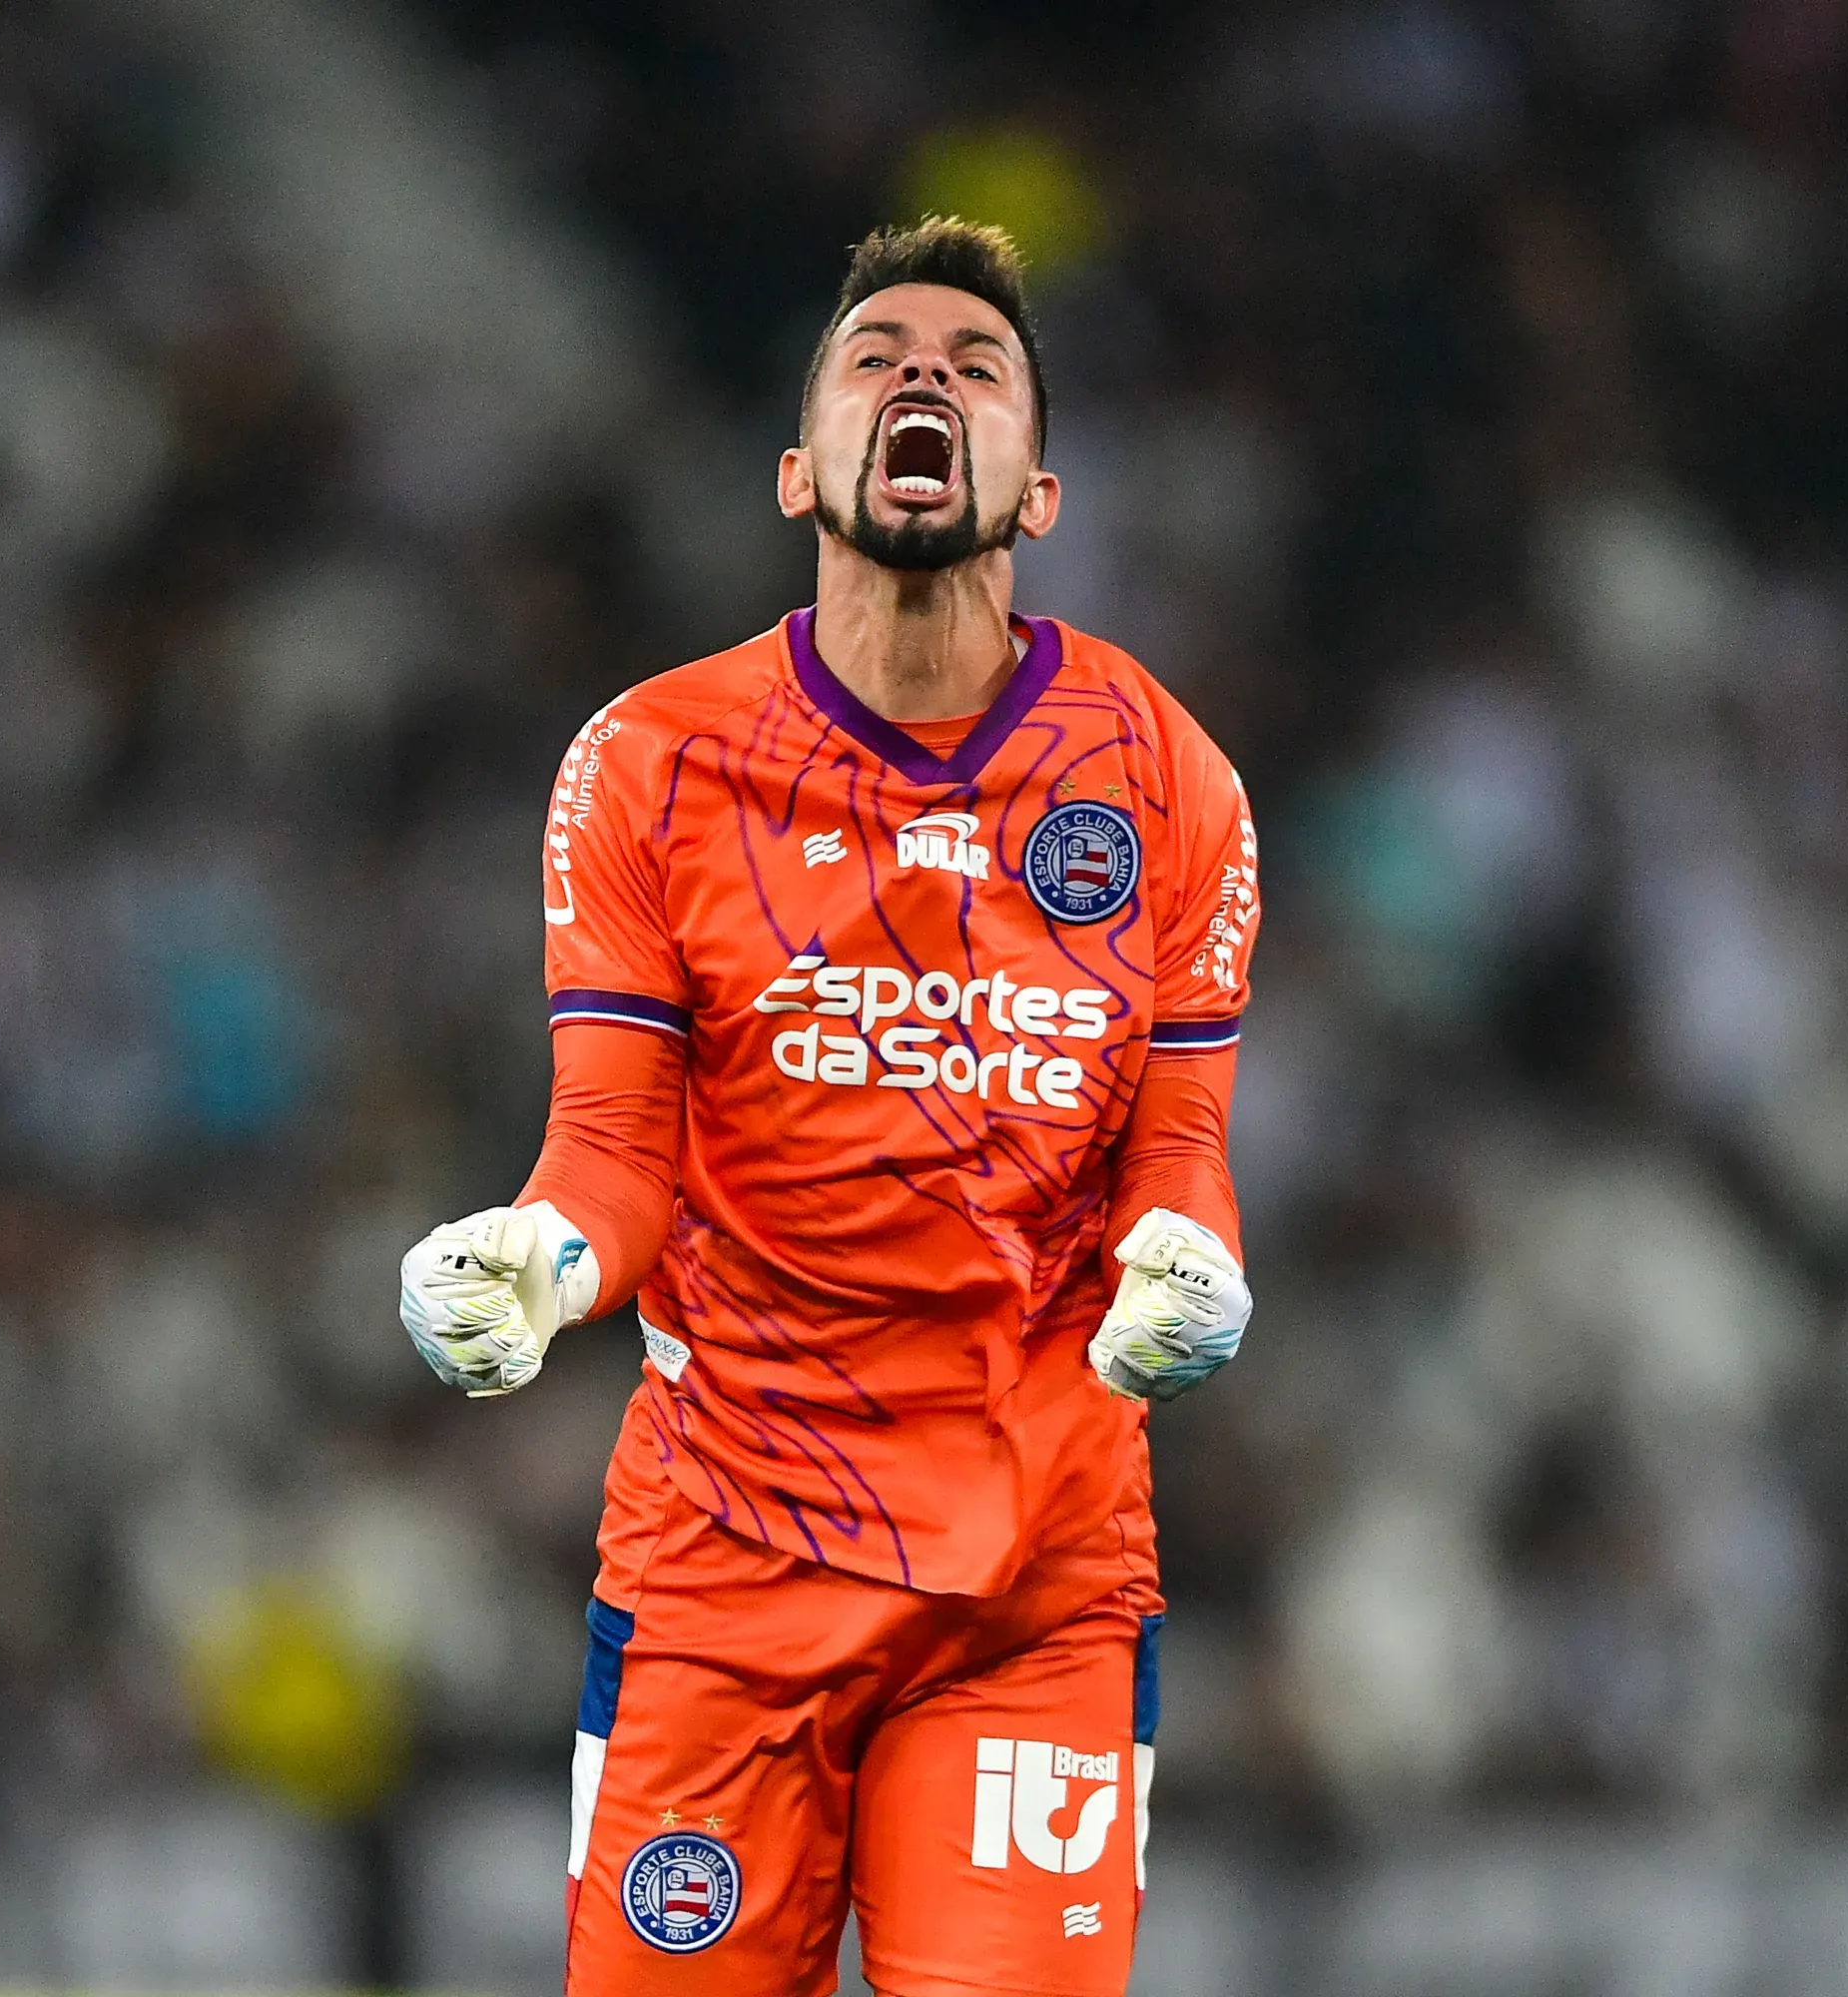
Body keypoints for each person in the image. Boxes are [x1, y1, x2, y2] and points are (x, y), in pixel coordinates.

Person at [398, 217, 1261, 1997]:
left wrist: (1191, 1270)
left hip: (1034, 1590)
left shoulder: (1167, 780)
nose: (925, 377)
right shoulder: (650, 762)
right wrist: (536, 1268)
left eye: (977, 365)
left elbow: (1177, 1160)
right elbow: (615, 1154)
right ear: (802, 470)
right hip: (726, 1567)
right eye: (879, 358)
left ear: (1038, 491)